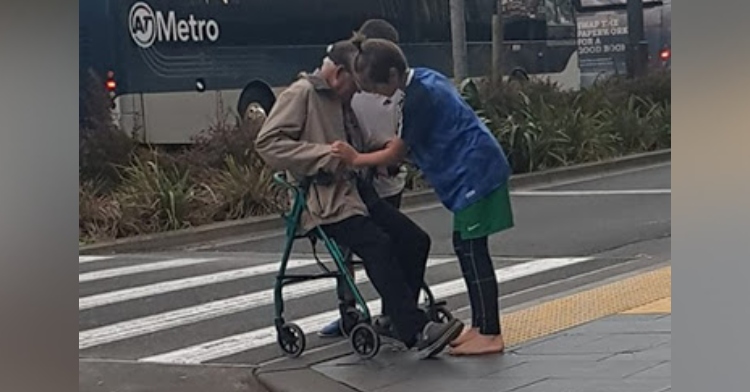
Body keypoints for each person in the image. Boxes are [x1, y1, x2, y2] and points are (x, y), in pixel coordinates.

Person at [254, 39, 464, 359]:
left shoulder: (340, 99)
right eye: (356, 85)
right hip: (324, 200)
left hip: (357, 193)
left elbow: (360, 143)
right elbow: (268, 144)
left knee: (415, 239)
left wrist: (393, 151)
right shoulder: (302, 94)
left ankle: (397, 316)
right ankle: (414, 329)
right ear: (339, 73)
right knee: (378, 244)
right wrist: (324, 155)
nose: (358, 93)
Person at [330, 35, 515, 356]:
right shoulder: (425, 79)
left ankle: (491, 334)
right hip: (473, 171)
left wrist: (356, 158)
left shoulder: (418, 98)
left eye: (375, 88)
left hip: (476, 173)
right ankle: (481, 327)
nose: (375, 96)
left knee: (472, 251)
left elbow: (397, 152)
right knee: (467, 248)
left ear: (391, 76)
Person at [318, 18, 409, 339]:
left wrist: (389, 158)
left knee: (388, 245)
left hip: (387, 179)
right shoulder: (349, 87)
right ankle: (349, 311)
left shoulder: (396, 90)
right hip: (356, 181)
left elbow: (400, 136)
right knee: (348, 249)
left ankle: (390, 312)